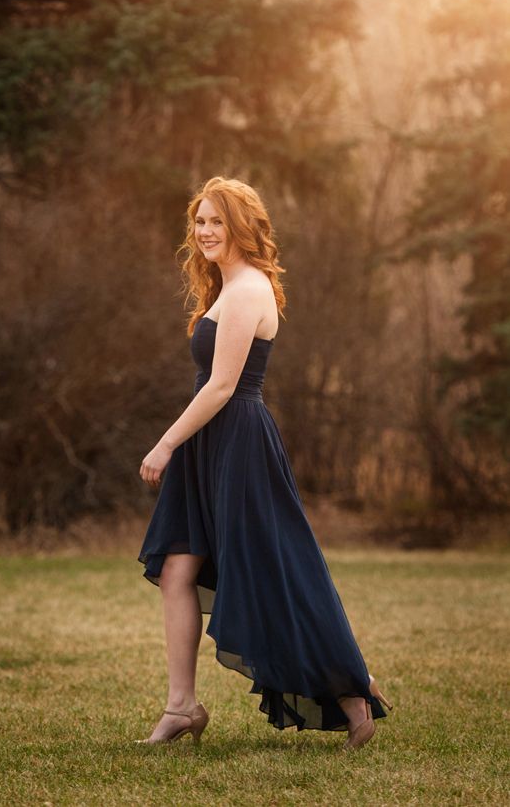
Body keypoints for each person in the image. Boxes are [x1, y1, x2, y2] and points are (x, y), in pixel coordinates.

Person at [136, 177, 393, 749]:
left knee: (273, 571)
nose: (204, 232)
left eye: (216, 222)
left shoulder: (249, 288)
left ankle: (354, 689)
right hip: (210, 444)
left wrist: (166, 443)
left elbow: (223, 385)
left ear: (242, 228)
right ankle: (181, 706)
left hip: (238, 445)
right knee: (176, 572)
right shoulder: (226, 288)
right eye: (199, 222)